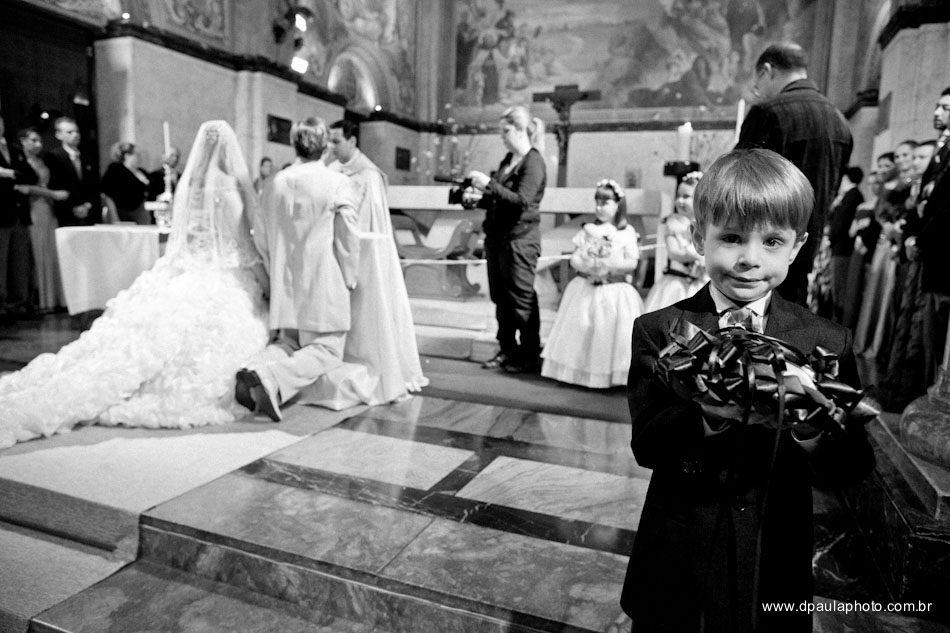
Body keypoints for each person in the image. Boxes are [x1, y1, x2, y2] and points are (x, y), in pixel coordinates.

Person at [620, 148, 874, 633]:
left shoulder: (824, 340)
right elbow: (647, 445)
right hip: (680, 550)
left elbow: (851, 466)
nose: (750, 259)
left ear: (797, 247)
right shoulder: (659, 329)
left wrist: (810, 427)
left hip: (773, 553)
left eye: (772, 241)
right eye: (732, 237)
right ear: (699, 237)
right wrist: (708, 414)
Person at [0, 120, 271, 450]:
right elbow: (242, 244)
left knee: (138, 340)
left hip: (186, 271)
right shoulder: (229, 186)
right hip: (221, 275)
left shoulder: (191, 183)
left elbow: (184, 239)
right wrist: (267, 282)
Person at [237, 117, 360, 422]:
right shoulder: (336, 182)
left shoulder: (274, 184)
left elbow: (261, 238)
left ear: (294, 144)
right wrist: (350, 275)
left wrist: (274, 270)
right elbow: (347, 236)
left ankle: (254, 367)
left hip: (285, 284)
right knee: (327, 350)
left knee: (288, 343)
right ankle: (271, 379)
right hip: (322, 282)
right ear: (324, 146)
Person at [736, 42, 853, 307]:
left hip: (761, 248)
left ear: (767, 71)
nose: (758, 89)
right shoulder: (839, 121)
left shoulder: (768, 113)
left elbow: (738, 183)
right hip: (806, 246)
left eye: (758, 82)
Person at [466, 105, 547, 374]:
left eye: (506, 131)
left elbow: (521, 201)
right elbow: (499, 198)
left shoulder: (533, 162)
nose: (502, 136)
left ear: (521, 129)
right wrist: (477, 198)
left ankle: (529, 354)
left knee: (521, 299)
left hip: (520, 240)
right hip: (498, 239)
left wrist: (487, 184)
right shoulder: (509, 159)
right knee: (501, 298)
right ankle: (507, 349)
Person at [541, 179, 643, 388]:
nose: (599, 207)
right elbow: (575, 258)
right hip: (586, 287)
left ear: (618, 205)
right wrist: (587, 263)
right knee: (582, 327)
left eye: (605, 203)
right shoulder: (588, 230)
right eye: (597, 202)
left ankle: (610, 376)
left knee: (608, 331)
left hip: (613, 289)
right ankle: (578, 373)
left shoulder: (626, 232)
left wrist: (609, 265)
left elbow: (632, 262)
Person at [15, 126, 68, 312]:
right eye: (33, 140)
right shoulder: (20, 161)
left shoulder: (43, 160)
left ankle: (54, 298)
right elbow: (22, 187)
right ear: (23, 141)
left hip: (47, 208)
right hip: (33, 208)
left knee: (51, 249)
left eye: (40, 141)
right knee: (38, 250)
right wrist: (52, 194)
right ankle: (40, 298)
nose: (38, 144)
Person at [644, 171, 706, 312]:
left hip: (700, 282)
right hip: (676, 282)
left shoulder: (708, 225)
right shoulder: (673, 223)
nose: (680, 201)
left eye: (686, 196)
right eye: (678, 196)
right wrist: (697, 255)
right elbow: (674, 253)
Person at [327, 120, 394, 234]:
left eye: (336, 142)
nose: (331, 146)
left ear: (352, 141)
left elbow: (371, 218)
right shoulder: (331, 169)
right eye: (329, 142)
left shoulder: (369, 174)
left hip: (357, 233)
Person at [0, 115, 36, 322]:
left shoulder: (14, 149)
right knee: (1, 261)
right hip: (2, 212)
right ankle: (1, 305)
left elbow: (30, 176)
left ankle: (18, 303)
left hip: (19, 213)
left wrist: (8, 173)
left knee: (20, 262)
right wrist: (13, 176)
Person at [826, 166, 864, 325]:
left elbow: (840, 223)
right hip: (842, 248)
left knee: (839, 288)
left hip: (842, 248)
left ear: (845, 178)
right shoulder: (853, 195)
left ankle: (838, 324)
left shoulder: (851, 196)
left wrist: (829, 238)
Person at [46, 116, 99, 226]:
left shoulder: (87, 156)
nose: (75, 135)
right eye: (69, 132)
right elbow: (55, 184)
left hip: (89, 211)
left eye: (77, 131)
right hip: (66, 212)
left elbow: (94, 184)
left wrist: (87, 205)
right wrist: (74, 207)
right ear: (58, 135)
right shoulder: (54, 156)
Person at [101, 141, 150, 224]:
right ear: (127, 156)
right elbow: (108, 194)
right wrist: (114, 216)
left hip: (140, 211)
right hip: (123, 212)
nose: (139, 158)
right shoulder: (115, 169)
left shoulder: (141, 171)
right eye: (137, 155)